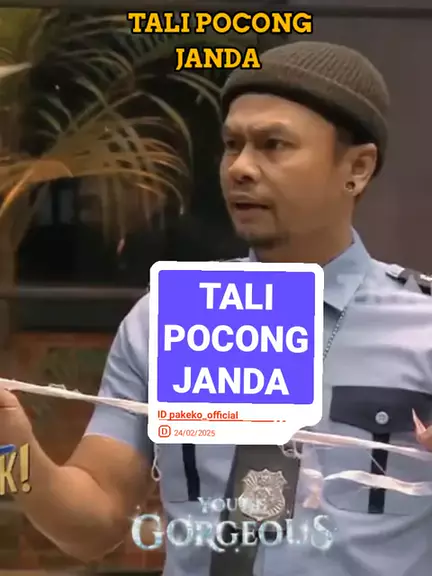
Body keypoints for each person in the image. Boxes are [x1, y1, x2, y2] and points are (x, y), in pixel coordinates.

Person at [1, 40, 432, 576]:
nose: (241, 168)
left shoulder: (423, 327)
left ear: (358, 168)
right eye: (232, 145)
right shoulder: (164, 319)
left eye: (274, 145)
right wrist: (10, 451)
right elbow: (90, 526)